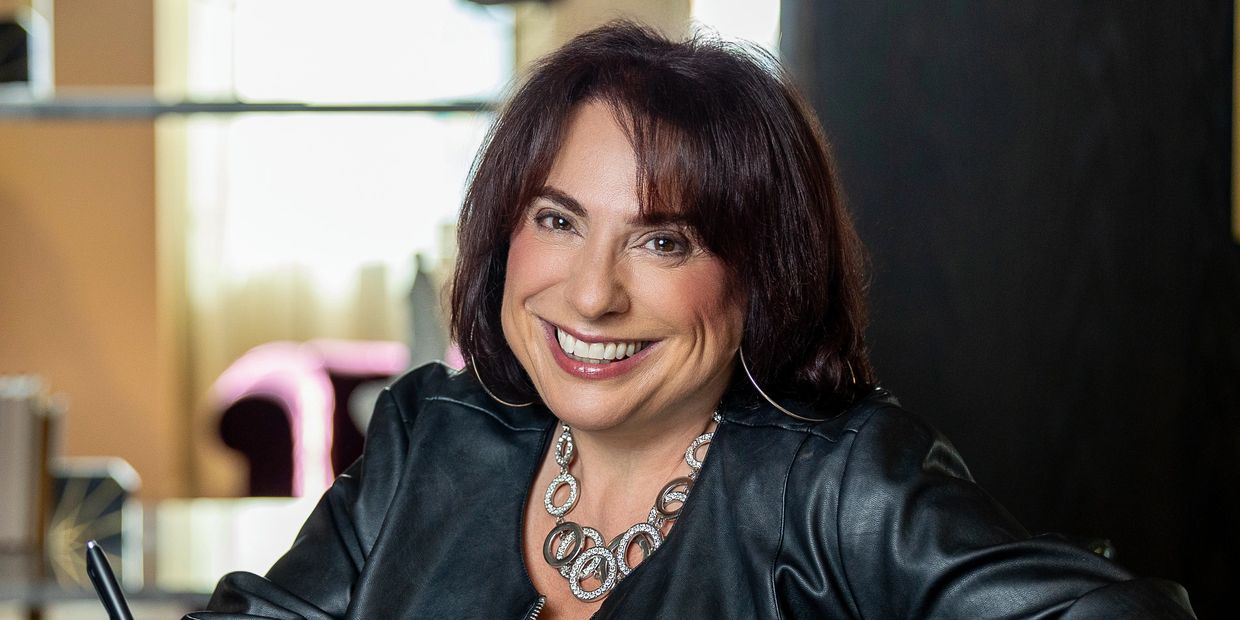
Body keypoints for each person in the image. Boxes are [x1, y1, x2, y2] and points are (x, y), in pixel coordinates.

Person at [186, 21, 1195, 619]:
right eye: (557, 220)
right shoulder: (430, 437)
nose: (590, 293)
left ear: (759, 270)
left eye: (664, 241)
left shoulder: (836, 486)